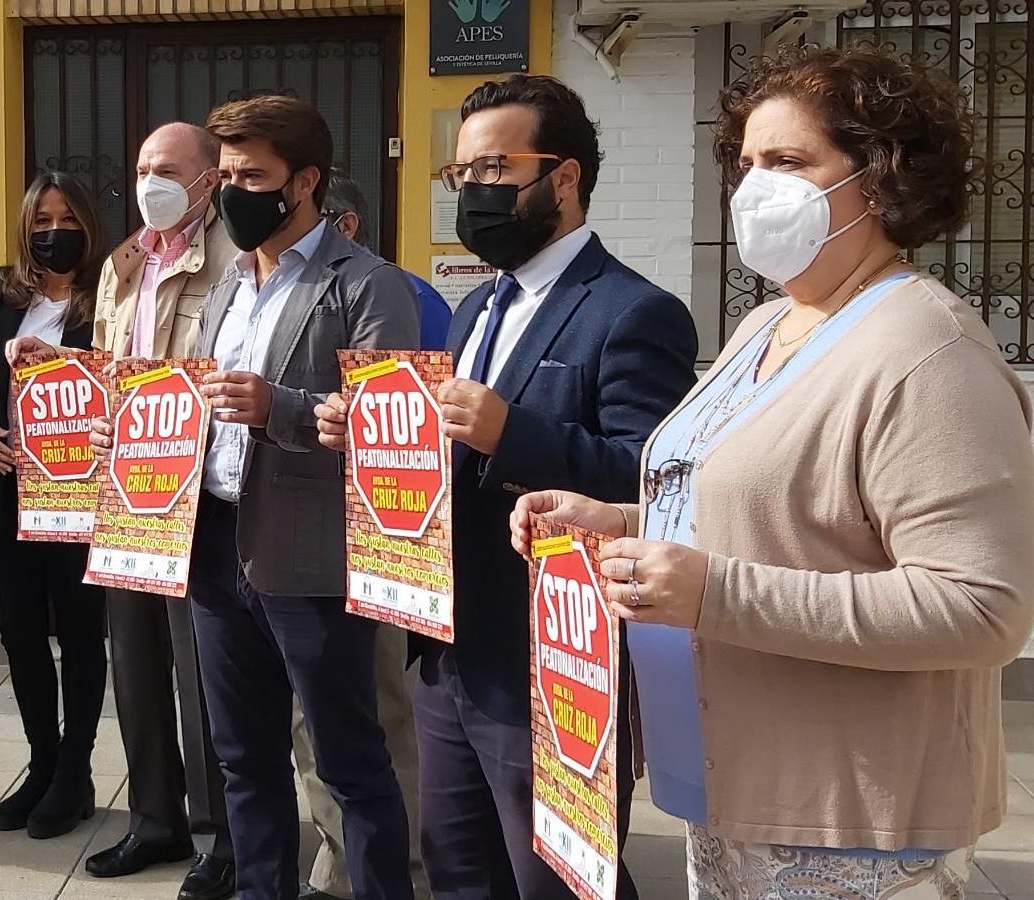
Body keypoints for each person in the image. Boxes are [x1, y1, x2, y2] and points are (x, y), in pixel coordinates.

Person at [512, 45, 1034, 900]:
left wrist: (714, 592)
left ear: (883, 178)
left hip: (852, 818)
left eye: (789, 162)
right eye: (748, 163)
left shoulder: (927, 351)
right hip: (724, 790)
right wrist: (622, 522)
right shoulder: (767, 325)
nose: (755, 187)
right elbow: (762, 510)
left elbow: (980, 608)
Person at [317, 75, 698, 900]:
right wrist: (378, 437)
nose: (474, 193)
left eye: (494, 168)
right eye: (462, 175)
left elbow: (653, 477)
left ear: (563, 177)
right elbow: (449, 457)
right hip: (445, 650)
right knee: (460, 872)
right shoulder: (472, 309)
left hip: (552, 661)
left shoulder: (635, 312)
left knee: (559, 881)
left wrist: (509, 432)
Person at [93, 95, 419, 900]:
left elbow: (389, 428)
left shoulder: (367, 285)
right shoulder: (232, 286)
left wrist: (283, 409)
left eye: (254, 175)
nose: (234, 190)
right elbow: (198, 404)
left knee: (347, 760)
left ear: (304, 181)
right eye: (227, 174)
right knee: (242, 756)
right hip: (212, 544)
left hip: (310, 554)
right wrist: (133, 436)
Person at [80, 123, 238, 899]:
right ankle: (154, 818)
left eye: (167, 169)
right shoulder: (123, 263)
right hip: (128, 490)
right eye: (141, 167)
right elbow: (111, 369)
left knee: (204, 671)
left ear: (209, 180)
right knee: (134, 662)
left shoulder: (236, 262)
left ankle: (222, 835)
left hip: (200, 494)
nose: (150, 182)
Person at [0, 172, 110, 841]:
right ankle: (42, 762)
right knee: (21, 634)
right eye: (41, 218)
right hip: (7, 495)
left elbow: (117, 374)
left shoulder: (112, 292)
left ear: (88, 223)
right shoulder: (2, 288)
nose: (52, 230)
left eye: (67, 216)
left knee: (77, 633)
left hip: (78, 498)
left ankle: (76, 770)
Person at [300, 167, 429, 900]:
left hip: (376, 540)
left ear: (342, 226)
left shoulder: (395, 295)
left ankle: (396, 868)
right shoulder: (266, 294)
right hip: (297, 552)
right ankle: (337, 862)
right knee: (310, 725)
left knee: (376, 717)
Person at [324, 168, 452, 354]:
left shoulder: (416, 297)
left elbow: (433, 379)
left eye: (310, 221)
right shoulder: (282, 288)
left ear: (346, 226)